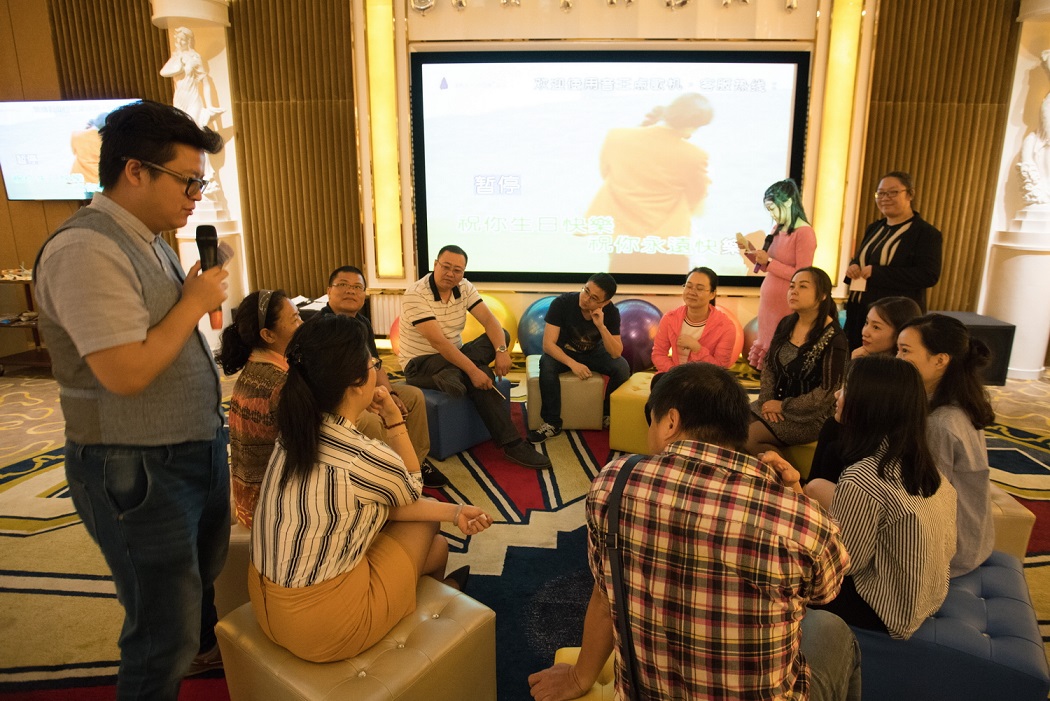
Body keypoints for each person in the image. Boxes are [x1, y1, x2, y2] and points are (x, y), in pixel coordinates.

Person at [33, 100, 228, 699]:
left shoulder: (148, 240)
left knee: (194, 589)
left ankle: (199, 657)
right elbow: (125, 373)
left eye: (200, 182)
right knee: (160, 632)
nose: (196, 196)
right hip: (135, 464)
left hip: (186, 448)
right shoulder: (85, 249)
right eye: (187, 180)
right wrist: (194, 304)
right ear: (136, 170)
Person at [528, 363, 859, 701]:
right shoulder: (797, 518)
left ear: (670, 422)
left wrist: (579, 676)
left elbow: (604, 592)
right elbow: (826, 591)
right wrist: (797, 498)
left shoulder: (613, 483)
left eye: (651, 421)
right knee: (834, 630)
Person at [248, 314, 493, 662]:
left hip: (266, 602)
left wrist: (456, 512)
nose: (377, 371)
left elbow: (383, 500)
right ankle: (432, 600)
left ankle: (434, 587)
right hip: (323, 627)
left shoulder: (294, 433)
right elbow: (412, 490)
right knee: (428, 524)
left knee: (436, 546)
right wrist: (393, 419)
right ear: (356, 381)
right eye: (373, 364)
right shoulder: (361, 455)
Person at [805, 355, 957, 639]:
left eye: (846, 389)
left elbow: (846, 565)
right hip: (926, 596)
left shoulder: (862, 477)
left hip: (885, 611)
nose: (837, 395)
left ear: (868, 404)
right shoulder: (923, 465)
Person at [398, 245, 552, 469]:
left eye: (457, 270)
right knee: (479, 373)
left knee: (501, 336)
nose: (451, 274)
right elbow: (439, 343)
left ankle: (452, 373)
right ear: (435, 265)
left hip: (454, 356)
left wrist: (502, 351)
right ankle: (512, 444)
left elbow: (490, 321)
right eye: (446, 267)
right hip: (420, 365)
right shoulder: (416, 294)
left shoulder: (464, 287)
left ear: (463, 272)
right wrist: (472, 371)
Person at [321, 265, 446, 488]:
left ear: (363, 294)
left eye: (357, 287)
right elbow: (327, 381)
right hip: (338, 398)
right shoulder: (321, 327)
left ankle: (415, 463)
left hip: (366, 388)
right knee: (371, 420)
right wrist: (368, 398)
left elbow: (376, 365)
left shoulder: (363, 323)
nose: (350, 291)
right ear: (329, 290)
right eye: (343, 285)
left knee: (413, 397)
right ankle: (384, 473)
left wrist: (390, 393)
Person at [897, 313, 996, 577]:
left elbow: (926, 502)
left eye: (905, 351)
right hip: (975, 538)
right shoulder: (959, 400)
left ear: (940, 360)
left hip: (951, 551)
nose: (897, 359)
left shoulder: (940, 423)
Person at [585, 93, 713, 275]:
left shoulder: (616, 137)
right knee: (669, 292)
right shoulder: (695, 155)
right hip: (669, 244)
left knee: (622, 291)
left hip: (623, 240)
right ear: (694, 124)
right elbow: (696, 197)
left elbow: (607, 173)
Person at [808, 295, 922, 484]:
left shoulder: (899, 372)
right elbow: (843, 402)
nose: (865, 332)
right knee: (831, 426)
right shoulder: (864, 357)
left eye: (876, 327)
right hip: (862, 428)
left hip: (881, 439)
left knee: (834, 447)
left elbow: (870, 415)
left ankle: (821, 491)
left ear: (899, 333)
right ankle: (810, 488)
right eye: (867, 323)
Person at [219, 289, 302, 528]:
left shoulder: (256, 369)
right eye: (294, 319)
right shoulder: (279, 384)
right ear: (268, 334)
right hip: (273, 512)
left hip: (248, 503)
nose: (302, 324)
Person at [745, 267, 848, 457]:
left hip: (810, 417)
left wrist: (783, 406)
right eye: (792, 286)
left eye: (803, 286)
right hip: (774, 403)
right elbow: (769, 365)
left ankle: (787, 474)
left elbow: (826, 393)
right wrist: (767, 401)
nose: (794, 291)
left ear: (823, 295)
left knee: (749, 438)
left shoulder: (835, 338)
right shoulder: (786, 323)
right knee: (728, 425)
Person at [843, 171, 943, 351]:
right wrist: (854, 266)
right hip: (860, 310)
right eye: (881, 193)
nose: (885, 198)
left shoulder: (926, 233)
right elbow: (863, 258)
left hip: (892, 319)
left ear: (910, 194)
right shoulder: (875, 228)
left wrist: (877, 273)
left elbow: (928, 275)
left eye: (893, 192)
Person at [526, 273, 630, 443]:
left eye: (594, 298)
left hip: (594, 353)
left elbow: (616, 352)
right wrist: (573, 364)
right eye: (586, 290)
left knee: (622, 367)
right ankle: (552, 422)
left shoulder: (611, 312)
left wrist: (601, 327)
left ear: (604, 303)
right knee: (546, 363)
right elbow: (548, 345)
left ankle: (606, 413)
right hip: (565, 351)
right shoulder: (562, 303)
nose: (586, 298)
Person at [741, 179, 817, 369]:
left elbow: (802, 274)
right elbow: (767, 266)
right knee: (766, 351)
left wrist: (769, 262)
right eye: (769, 210)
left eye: (773, 209)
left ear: (789, 202)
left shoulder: (805, 233)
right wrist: (750, 252)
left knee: (780, 353)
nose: (772, 215)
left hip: (787, 302)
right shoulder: (777, 229)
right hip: (769, 302)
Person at [650, 266, 739, 372]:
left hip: (706, 379)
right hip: (674, 375)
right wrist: (675, 373)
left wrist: (697, 349)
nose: (692, 292)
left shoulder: (726, 327)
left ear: (712, 294)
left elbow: (720, 369)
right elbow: (658, 354)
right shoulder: (670, 318)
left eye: (699, 288)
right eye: (688, 286)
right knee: (657, 380)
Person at [160, 27, 224, 129]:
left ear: (189, 41)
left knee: (194, 127)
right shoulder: (175, 58)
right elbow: (163, 73)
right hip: (179, 99)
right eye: (177, 39)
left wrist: (209, 106)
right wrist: (179, 66)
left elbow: (206, 83)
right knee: (181, 129)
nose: (179, 42)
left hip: (193, 98)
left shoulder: (195, 58)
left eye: (182, 39)